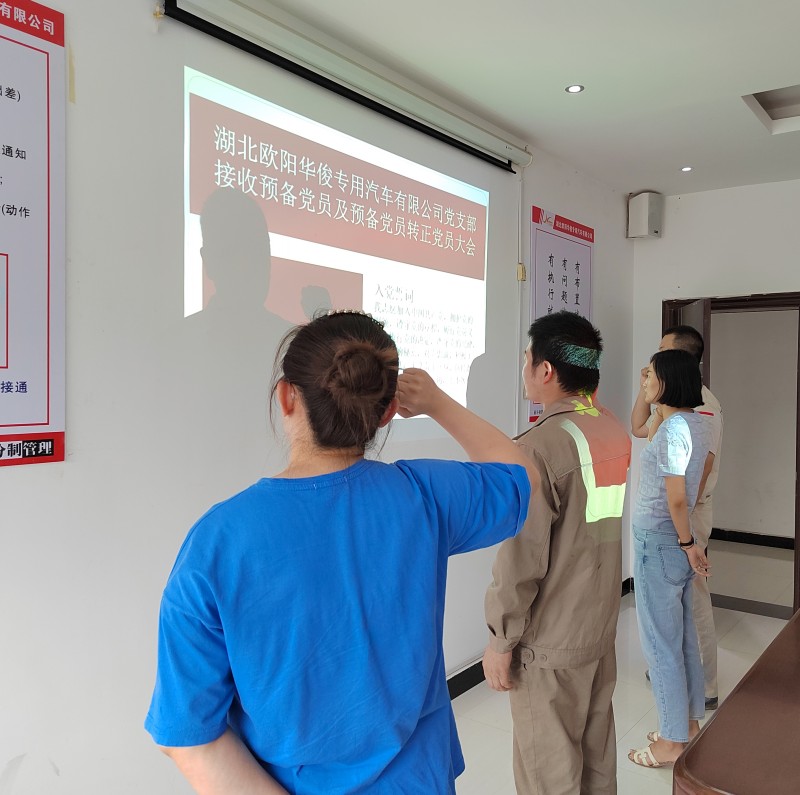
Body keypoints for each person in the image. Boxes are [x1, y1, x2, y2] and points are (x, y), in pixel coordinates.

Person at [145, 310, 539, 795]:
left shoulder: (217, 542)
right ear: (387, 412)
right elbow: (523, 476)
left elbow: (188, 736)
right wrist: (437, 403)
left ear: (286, 396)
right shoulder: (424, 495)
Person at [483, 310, 631, 795]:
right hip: (597, 627)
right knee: (596, 763)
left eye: (527, 358)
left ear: (545, 369)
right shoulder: (610, 430)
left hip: (549, 642)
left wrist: (501, 639)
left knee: (549, 777)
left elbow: (520, 560)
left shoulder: (539, 447)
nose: (524, 368)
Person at [631, 325, 723, 710]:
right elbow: (638, 429)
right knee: (675, 623)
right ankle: (689, 699)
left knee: (686, 613)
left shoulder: (700, 410)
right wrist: (647, 389)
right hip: (672, 518)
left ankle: (702, 690)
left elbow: (690, 483)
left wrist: (685, 538)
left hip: (680, 518)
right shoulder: (671, 410)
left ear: (679, 361)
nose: (648, 369)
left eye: (659, 356)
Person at [627, 349, 711, 769]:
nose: (644, 380)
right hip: (671, 542)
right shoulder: (694, 422)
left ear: (669, 382)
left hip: (661, 543)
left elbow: (676, 496)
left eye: (650, 375)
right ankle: (687, 725)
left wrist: (687, 542)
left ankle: (670, 742)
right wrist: (686, 540)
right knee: (682, 640)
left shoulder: (674, 429)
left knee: (661, 645)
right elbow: (702, 470)